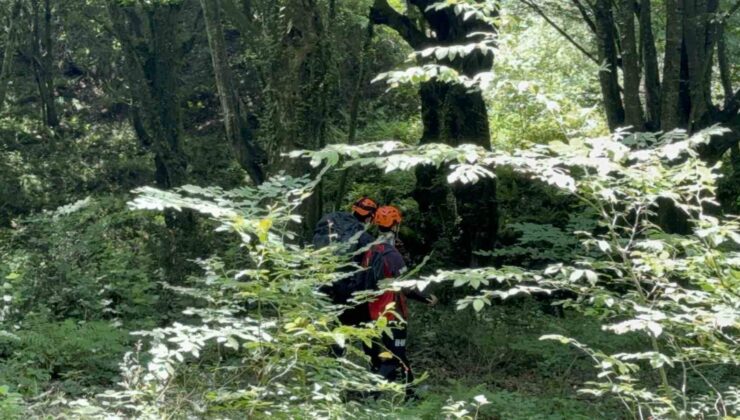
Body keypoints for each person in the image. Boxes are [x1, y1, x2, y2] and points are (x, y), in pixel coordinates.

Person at [363, 206, 437, 395]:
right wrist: (426, 298)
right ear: (395, 225)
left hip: (371, 312)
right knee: (394, 358)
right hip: (392, 313)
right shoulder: (391, 253)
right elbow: (406, 285)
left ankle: (411, 395)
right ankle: (372, 397)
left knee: (396, 354)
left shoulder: (369, 249)